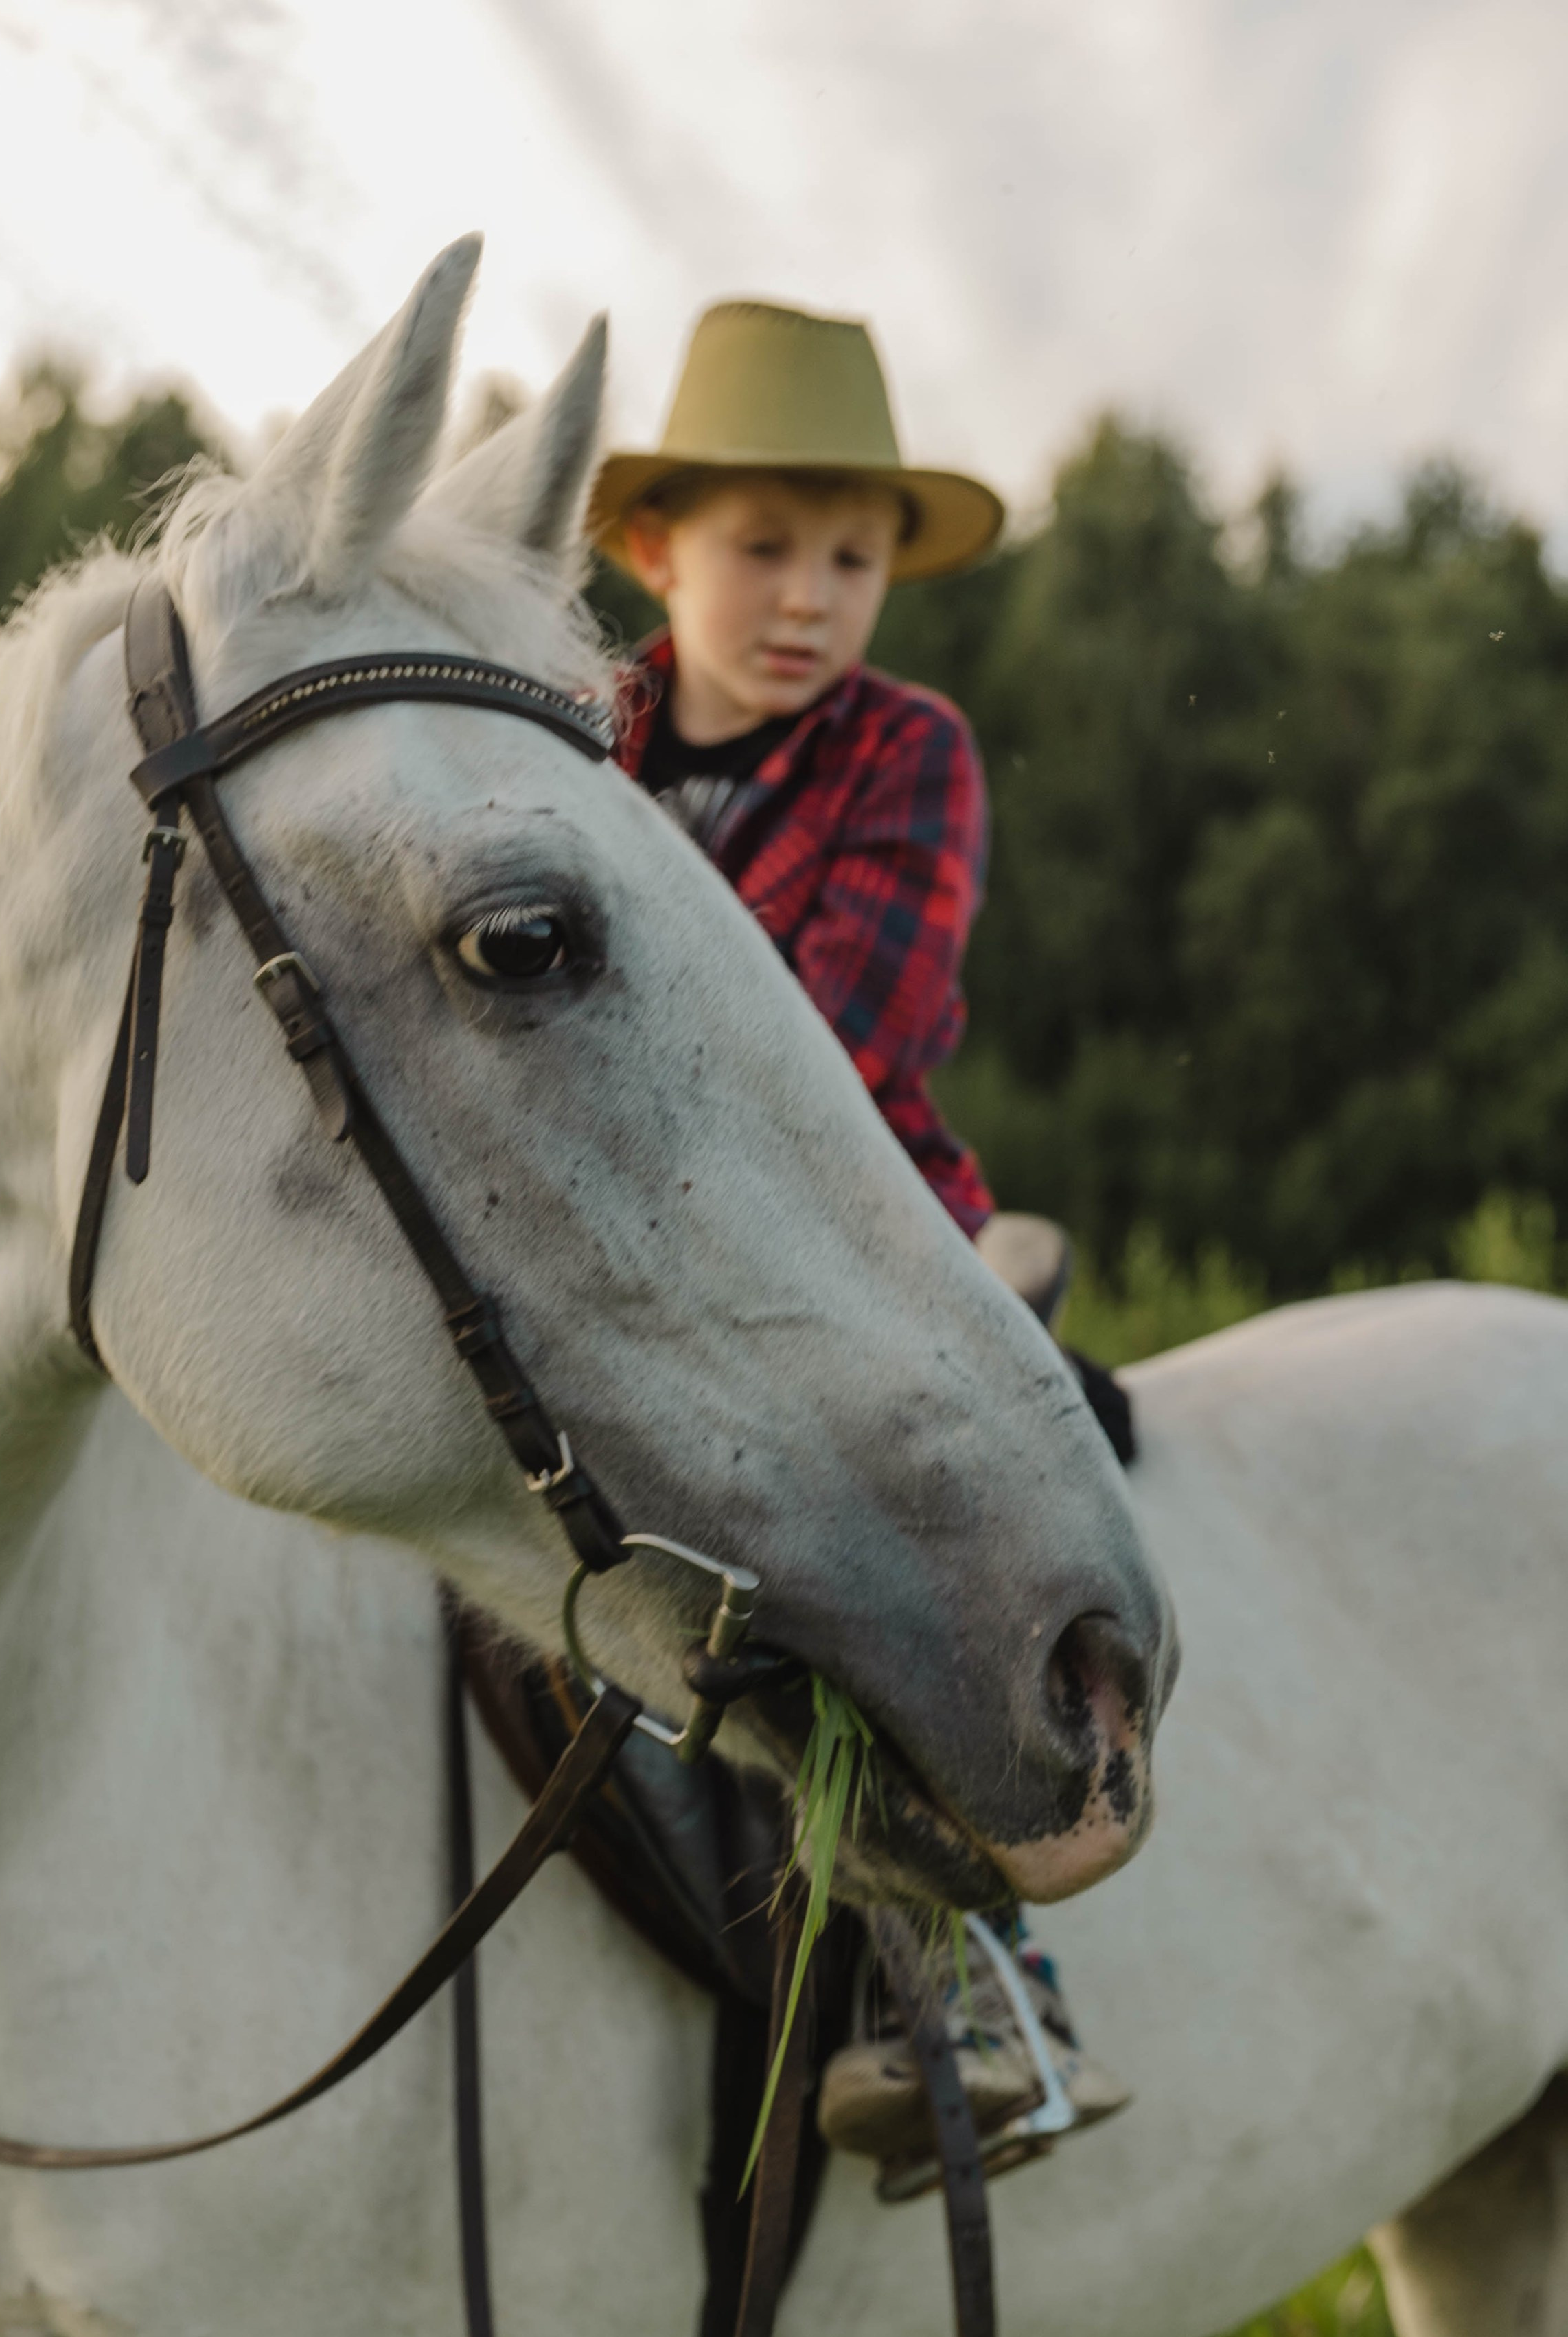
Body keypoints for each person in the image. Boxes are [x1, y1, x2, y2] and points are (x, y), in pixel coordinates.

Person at [584, 299, 1130, 2194]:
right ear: (658, 549)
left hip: (852, 1224)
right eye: (764, 547)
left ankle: (972, 1970)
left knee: (872, 1523)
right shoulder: (577, 736)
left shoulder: (908, 752)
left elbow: (839, 1046)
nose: (809, 598)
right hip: (598, 1240)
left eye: (851, 557)